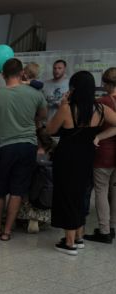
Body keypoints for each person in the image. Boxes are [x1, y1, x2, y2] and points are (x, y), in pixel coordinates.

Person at [47, 70, 116, 255]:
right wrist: (99, 136)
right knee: (80, 194)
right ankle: (78, 236)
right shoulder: (100, 109)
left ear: (74, 88)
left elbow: (50, 130)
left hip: (67, 156)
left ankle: (69, 243)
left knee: (67, 195)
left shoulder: (67, 108)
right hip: (87, 155)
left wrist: (62, 104)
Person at [0, 58, 47, 242]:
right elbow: (43, 116)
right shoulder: (35, 93)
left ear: (3, 75)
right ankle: (7, 231)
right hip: (28, 146)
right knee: (18, 190)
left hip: (3, 147)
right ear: (22, 74)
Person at [84, 67, 116, 244]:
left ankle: (103, 230)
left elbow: (91, 126)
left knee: (101, 192)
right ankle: (112, 227)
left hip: (103, 152)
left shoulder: (101, 101)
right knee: (115, 191)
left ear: (104, 83)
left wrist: (98, 136)